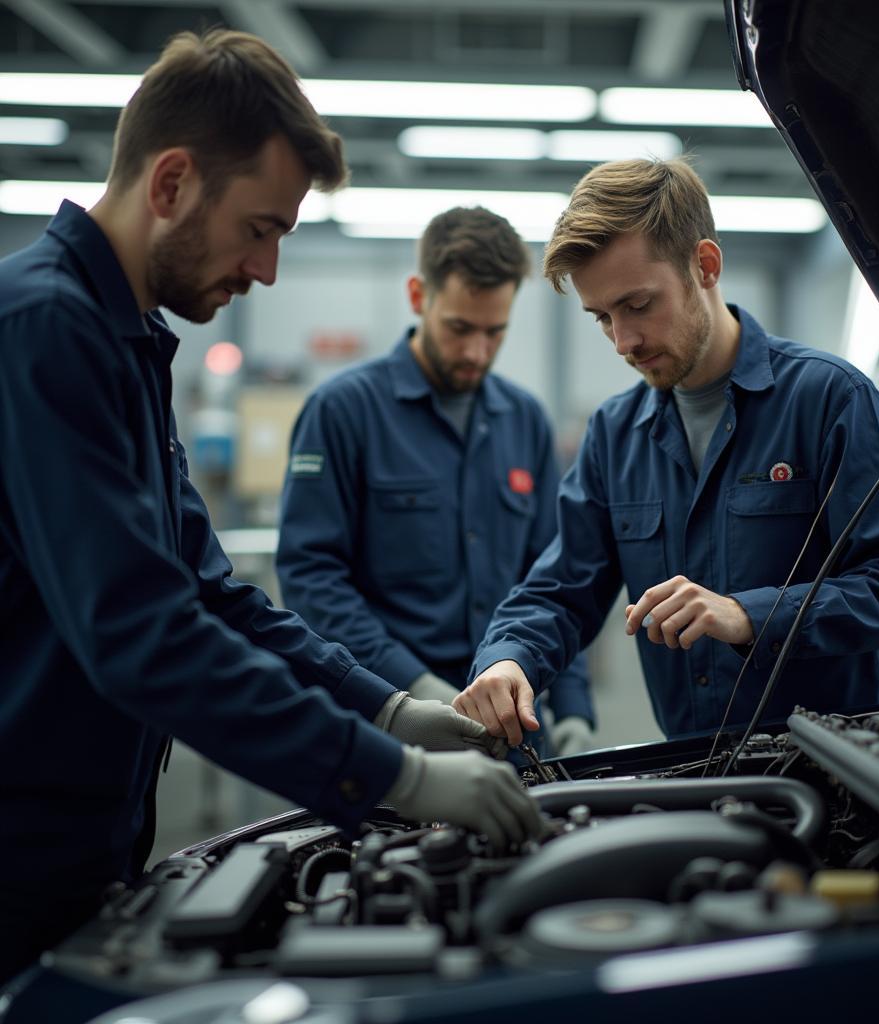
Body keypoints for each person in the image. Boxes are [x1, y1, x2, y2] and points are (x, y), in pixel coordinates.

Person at [0, 30, 539, 989]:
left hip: (88, 841)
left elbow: (215, 597)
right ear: (171, 184)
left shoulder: (124, 345)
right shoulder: (44, 330)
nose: (268, 272)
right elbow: (142, 632)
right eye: (262, 228)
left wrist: (391, 709)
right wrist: (392, 778)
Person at [453, 157, 879, 747]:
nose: (624, 341)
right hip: (697, 772)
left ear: (704, 265)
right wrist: (509, 659)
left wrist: (749, 615)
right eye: (602, 317)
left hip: (842, 777)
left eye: (637, 305)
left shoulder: (830, 399)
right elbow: (562, 589)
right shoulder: (615, 433)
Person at [276, 206, 596, 758]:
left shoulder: (525, 420)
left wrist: (573, 705)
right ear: (419, 295)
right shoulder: (342, 412)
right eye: (460, 328)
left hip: (513, 723)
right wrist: (411, 688)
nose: (477, 352)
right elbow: (312, 577)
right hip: (386, 727)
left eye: (495, 332)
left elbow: (553, 574)